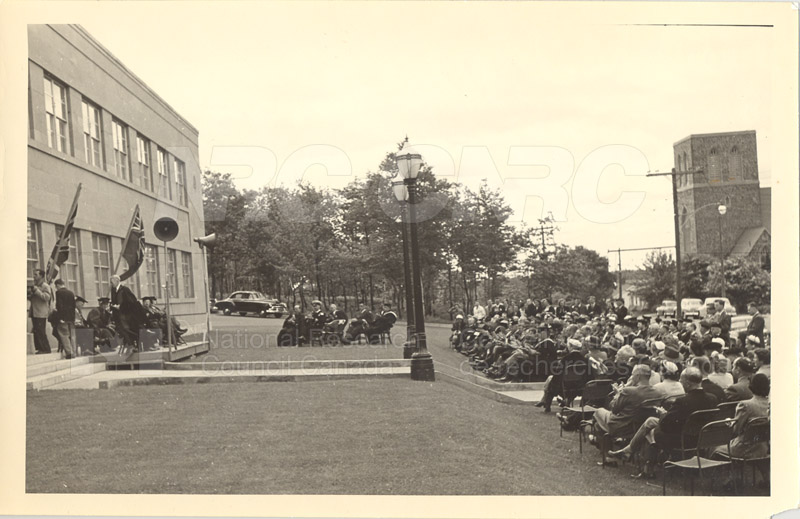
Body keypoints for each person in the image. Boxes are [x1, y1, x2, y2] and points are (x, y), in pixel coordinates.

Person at [608, 367, 719, 474]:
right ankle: (629, 450)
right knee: (650, 421)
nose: (679, 381)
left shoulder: (682, 401)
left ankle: (647, 467)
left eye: (681, 379)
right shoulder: (712, 398)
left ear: (688, 383)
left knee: (650, 432)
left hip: (682, 438)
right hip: (701, 437)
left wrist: (663, 414)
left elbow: (666, 425)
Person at [591, 364, 661, 436]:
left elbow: (614, 409)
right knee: (598, 424)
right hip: (642, 426)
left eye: (632, 375)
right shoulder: (657, 392)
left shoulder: (629, 391)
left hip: (623, 426)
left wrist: (618, 394)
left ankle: (595, 438)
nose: (631, 377)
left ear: (638, 376)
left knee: (598, 411)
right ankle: (598, 439)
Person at [110, 275, 148, 353]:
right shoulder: (113, 290)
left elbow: (131, 302)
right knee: (122, 330)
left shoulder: (125, 290)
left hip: (127, 315)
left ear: (117, 281)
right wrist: (113, 306)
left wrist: (120, 307)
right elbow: (114, 301)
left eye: (112, 281)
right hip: (118, 315)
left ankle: (132, 345)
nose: (111, 283)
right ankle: (130, 345)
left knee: (128, 329)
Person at [28, 269, 54, 354]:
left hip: (41, 313)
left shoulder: (45, 286)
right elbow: (33, 298)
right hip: (34, 312)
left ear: (41, 276)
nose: (34, 277)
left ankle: (46, 349)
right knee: (36, 331)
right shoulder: (35, 286)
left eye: (36, 275)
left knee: (41, 331)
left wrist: (36, 291)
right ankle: (40, 348)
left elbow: (46, 297)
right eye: (34, 275)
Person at [53, 279, 76, 359]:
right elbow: (73, 306)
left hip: (64, 318)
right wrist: (73, 318)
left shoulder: (59, 293)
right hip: (71, 318)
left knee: (64, 335)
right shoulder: (71, 293)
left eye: (56, 286)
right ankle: (74, 351)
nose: (56, 288)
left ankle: (69, 353)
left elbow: (60, 306)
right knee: (72, 335)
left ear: (58, 285)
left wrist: (60, 317)